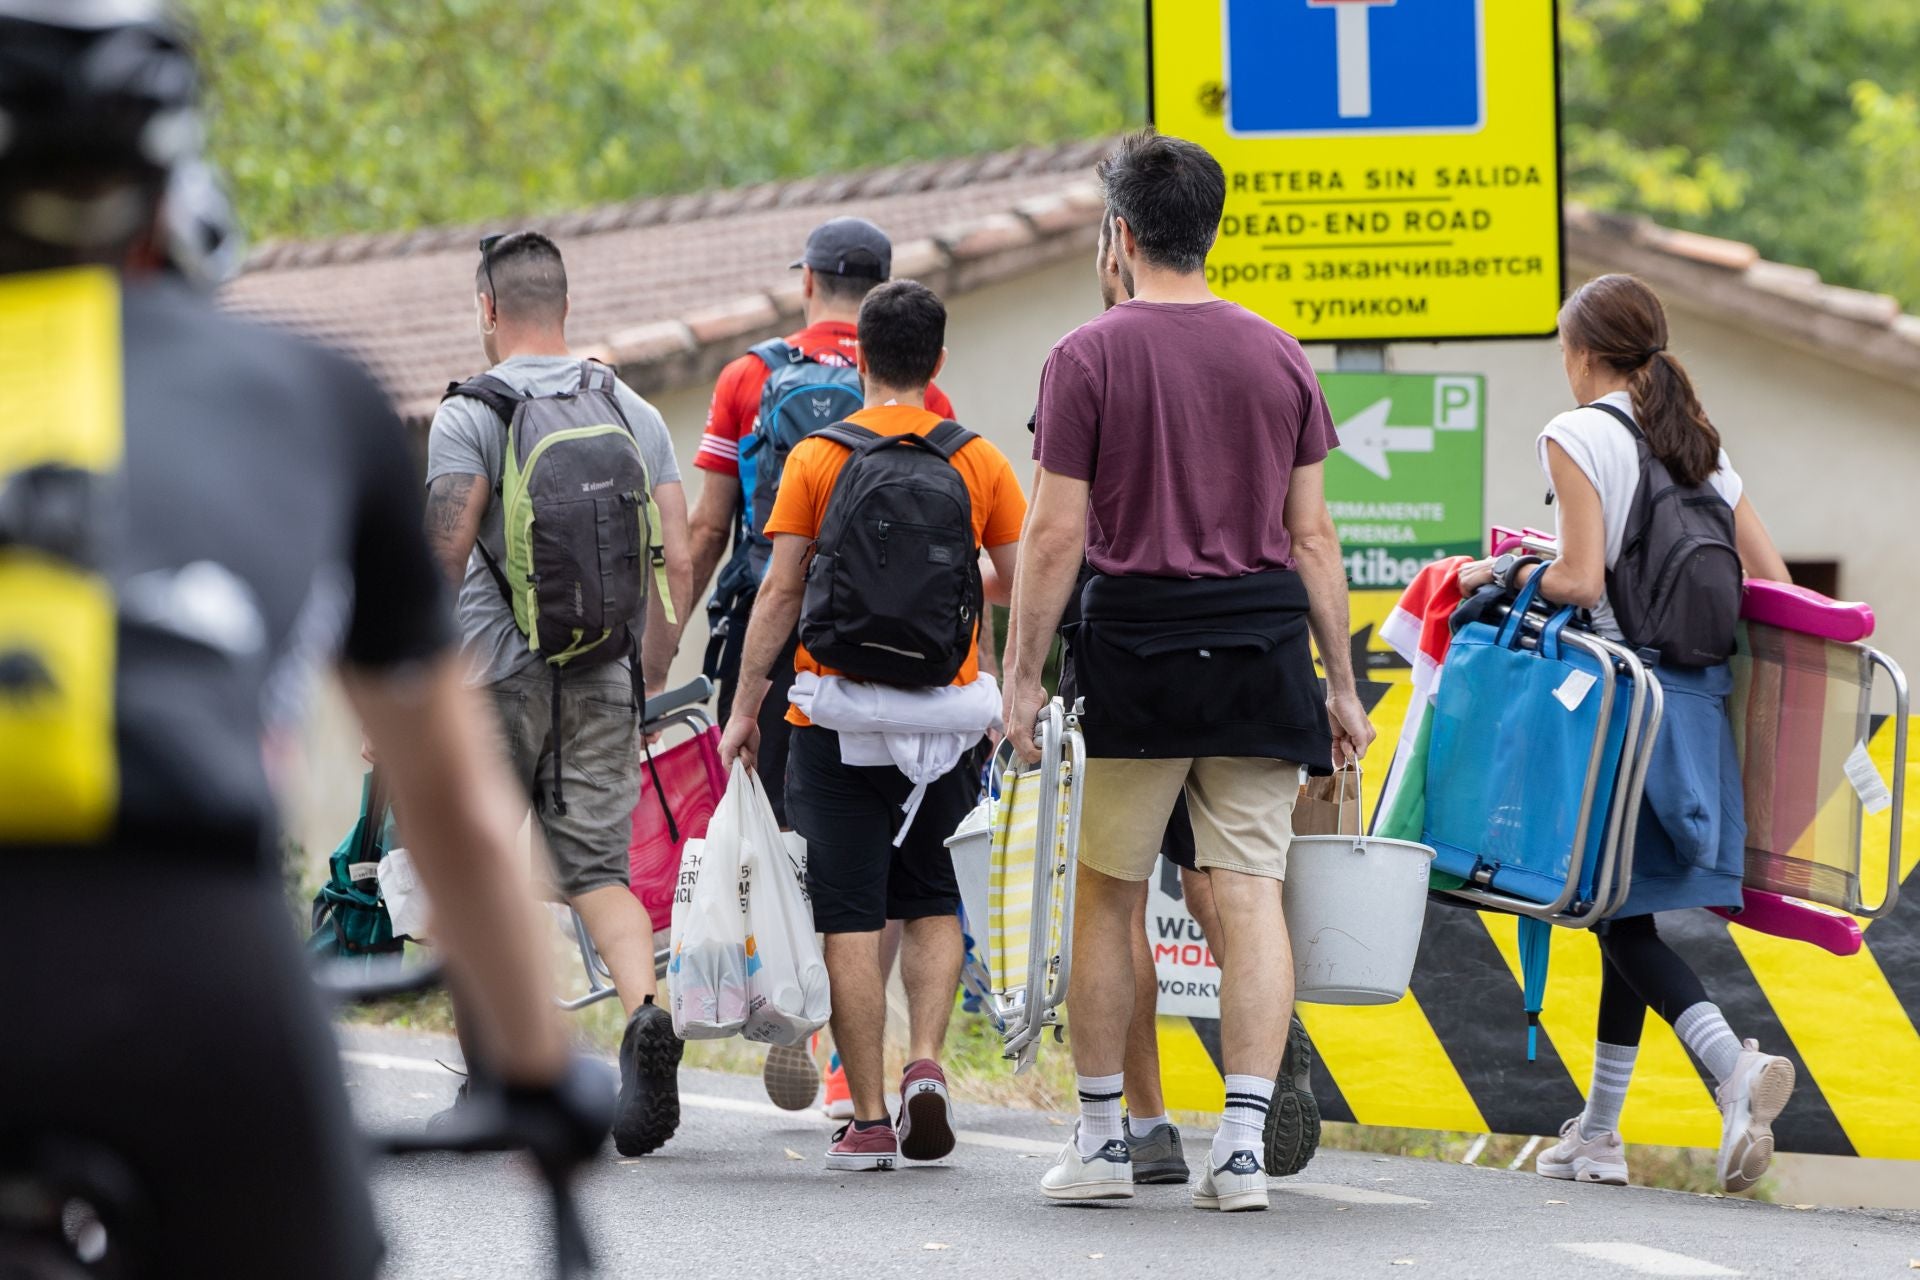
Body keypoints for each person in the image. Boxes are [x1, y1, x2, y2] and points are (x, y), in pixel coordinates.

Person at [0, 4, 605, 1276]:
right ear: (168, 185)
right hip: (193, 966)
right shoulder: (304, 393)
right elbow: (451, 798)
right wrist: (539, 1077)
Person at [1005, 131, 1375, 1211]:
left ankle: (1105, 1140)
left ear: (1119, 232)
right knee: (1253, 894)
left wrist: (1022, 676)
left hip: (1137, 655)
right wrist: (1341, 683)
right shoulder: (1279, 355)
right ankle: (1245, 1152)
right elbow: (1313, 537)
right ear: (1209, 229)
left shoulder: (1086, 356)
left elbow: (1054, 533)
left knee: (1108, 891)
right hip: (1264, 653)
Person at [1456, 273, 1797, 1193]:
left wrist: (1496, 565)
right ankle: (1599, 1135)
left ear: (1580, 351)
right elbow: (1772, 582)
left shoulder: (1576, 432)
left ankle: (1729, 1070)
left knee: (1610, 911)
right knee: (1628, 907)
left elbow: (1575, 580)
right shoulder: (1700, 448)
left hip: (1620, 710)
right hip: (1697, 707)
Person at [719, 280, 1025, 1171]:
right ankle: (929, 1062)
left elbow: (779, 589)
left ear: (860, 358)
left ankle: (869, 1112)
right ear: (937, 362)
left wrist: (746, 709)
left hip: (836, 717)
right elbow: (1019, 578)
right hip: (947, 725)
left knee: (849, 914)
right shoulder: (978, 460)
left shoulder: (817, 457)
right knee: (931, 898)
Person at [423, 231, 693, 1156]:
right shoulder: (629, 406)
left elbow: (440, 560)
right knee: (599, 877)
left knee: (473, 874)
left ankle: (488, 1083)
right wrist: (651, 666)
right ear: (566, 308)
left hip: (491, 676)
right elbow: (679, 554)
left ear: (488, 310)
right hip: (604, 669)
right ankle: (645, 1017)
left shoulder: (468, 414)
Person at [685, 217, 955, 1110]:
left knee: (788, 844)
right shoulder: (929, 397)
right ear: (885, 289)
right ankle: (856, 1061)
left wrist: (672, 657)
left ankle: (791, 1012)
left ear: (807, 282)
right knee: (878, 855)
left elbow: (708, 527)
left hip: (778, 649)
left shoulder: (749, 377)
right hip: (894, 670)